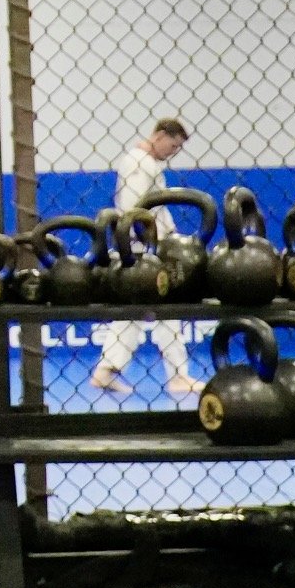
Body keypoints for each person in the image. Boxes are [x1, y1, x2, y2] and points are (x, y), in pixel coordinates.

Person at [90, 115, 197, 400]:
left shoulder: (144, 163)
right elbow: (134, 209)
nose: (172, 153)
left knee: (134, 312)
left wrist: (170, 232)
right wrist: (153, 241)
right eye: (172, 146)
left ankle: (107, 369)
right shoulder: (140, 163)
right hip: (143, 250)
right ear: (159, 135)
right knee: (166, 309)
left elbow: (155, 207)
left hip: (144, 247)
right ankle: (178, 376)